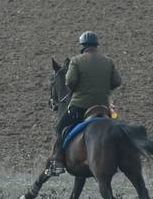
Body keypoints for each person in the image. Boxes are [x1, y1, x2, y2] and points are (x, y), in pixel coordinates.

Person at [49, 30, 123, 172]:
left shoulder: (76, 61)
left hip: (80, 106)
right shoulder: (108, 61)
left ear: (82, 46)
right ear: (96, 45)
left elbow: (69, 81)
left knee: (59, 128)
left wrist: (77, 87)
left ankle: (57, 160)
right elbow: (117, 81)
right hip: (102, 106)